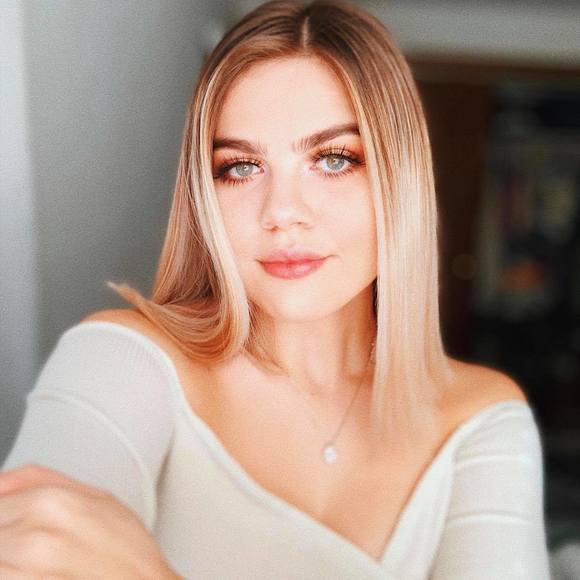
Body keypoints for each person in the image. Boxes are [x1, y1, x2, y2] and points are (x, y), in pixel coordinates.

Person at [0, 0, 551, 578]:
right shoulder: (124, 361)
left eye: (333, 159)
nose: (282, 213)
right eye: (240, 167)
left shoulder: (480, 417)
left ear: (399, 179)